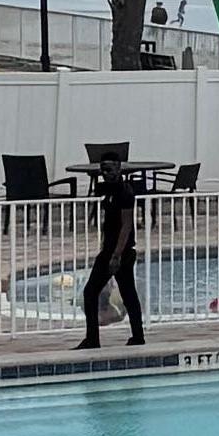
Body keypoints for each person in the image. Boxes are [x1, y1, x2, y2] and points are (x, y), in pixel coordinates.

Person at [78, 141, 151, 350]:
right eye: (103, 170)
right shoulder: (109, 191)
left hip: (119, 253)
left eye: (110, 169)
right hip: (111, 251)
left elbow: (126, 225)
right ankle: (137, 336)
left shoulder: (124, 192)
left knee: (91, 292)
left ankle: (93, 339)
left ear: (119, 169)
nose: (106, 173)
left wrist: (116, 255)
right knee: (128, 294)